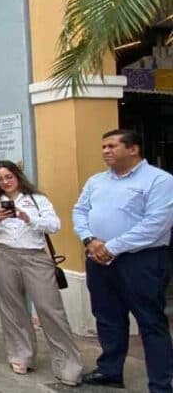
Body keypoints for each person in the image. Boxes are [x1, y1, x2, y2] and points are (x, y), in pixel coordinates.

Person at [73, 129, 173, 391]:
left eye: (112, 146)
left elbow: (156, 224)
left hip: (141, 261)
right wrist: (89, 240)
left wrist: (112, 247)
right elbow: (80, 210)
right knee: (107, 317)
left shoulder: (160, 181)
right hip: (98, 259)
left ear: (133, 149)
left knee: (150, 321)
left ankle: (160, 383)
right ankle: (110, 371)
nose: (105, 151)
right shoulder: (96, 181)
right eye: (103, 146)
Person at [0, 160, 82, 386]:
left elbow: (54, 225)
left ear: (18, 176)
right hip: (4, 254)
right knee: (12, 308)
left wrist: (28, 218)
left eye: (9, 177)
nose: (5, 182)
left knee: (50, 309)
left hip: (35, 256)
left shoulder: (37, 199)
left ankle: (68, 363)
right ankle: (21, 354)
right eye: (0, 179)